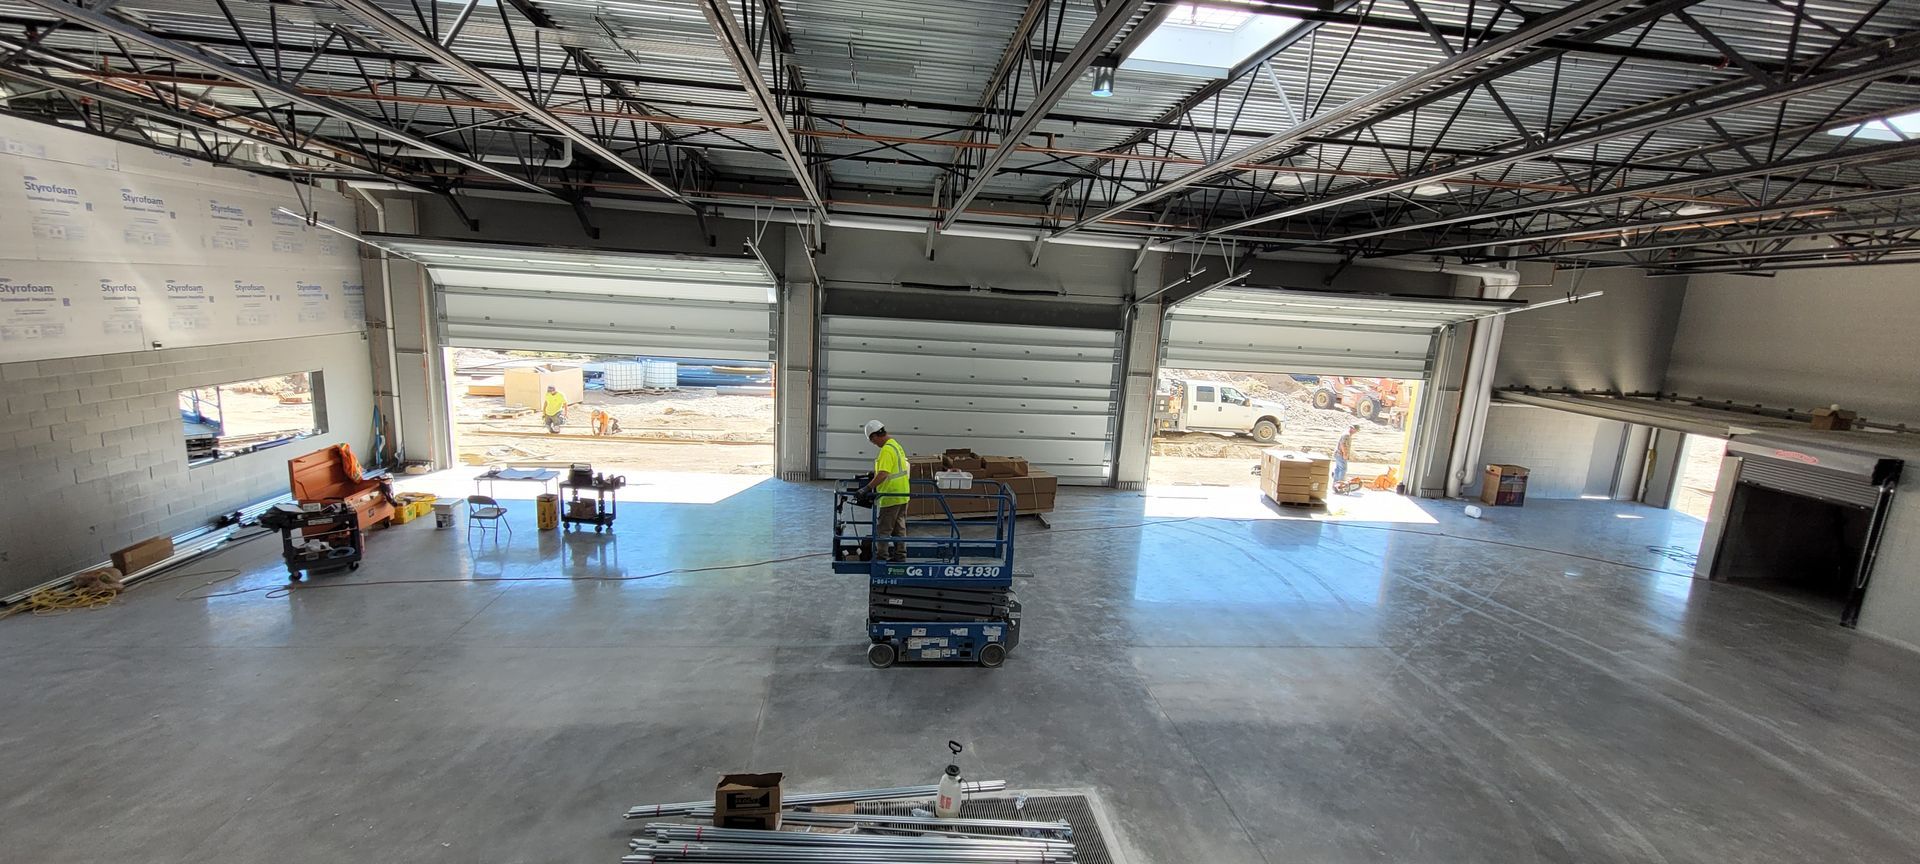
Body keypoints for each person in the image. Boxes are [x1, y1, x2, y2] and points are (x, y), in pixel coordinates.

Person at [859, 419, 911, 563]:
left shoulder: (886, 450)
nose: (874, 444)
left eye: (872, 440)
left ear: (875, 436)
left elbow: (883, 473)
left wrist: (866, 488)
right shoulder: (895, 445)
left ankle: (881, 558)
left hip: (891, 495)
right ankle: (900, 557)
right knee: (899, 528)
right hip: (903, 494)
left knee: (884, 530)